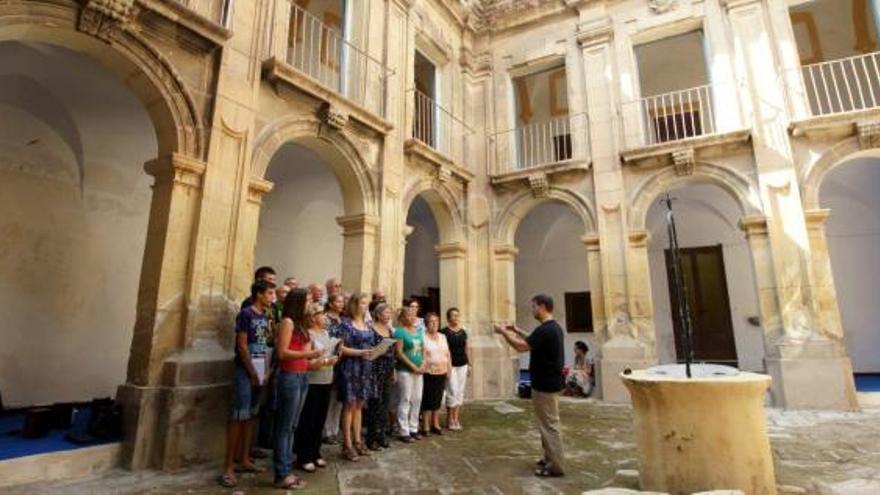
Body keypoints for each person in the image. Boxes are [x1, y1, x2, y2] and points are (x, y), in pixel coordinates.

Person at [493, 294, 566, 478]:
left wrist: (503, 333)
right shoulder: (552, 328)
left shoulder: (546, 330)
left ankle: (556, 466)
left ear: (542, 307)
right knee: (547, 423)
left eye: (533, 307)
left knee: (550, 425)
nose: (532, 310)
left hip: (545, 385)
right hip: (550, 382)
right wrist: (516, 329)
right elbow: (532, 340)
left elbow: (521, 347)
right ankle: (549, 457)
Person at [219, 279, 275, 488]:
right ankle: (228, 466)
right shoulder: (246, 314)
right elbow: (242, 346)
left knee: (251, 414)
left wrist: (266, 370)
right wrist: (252, 371)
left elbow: (267, 343)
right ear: (259, 294)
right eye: (269, 293)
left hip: (261, 365)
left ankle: (244, 458)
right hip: (246, 369)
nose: (272, 297)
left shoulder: (266, 316)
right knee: (239, 414)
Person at [293, 302, 339, 473]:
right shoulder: (309, 335)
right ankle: (303, 456)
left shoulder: (326, 333)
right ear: (312, 317)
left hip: (326, 380)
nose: (325, 316)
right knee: (308, 420)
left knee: (320, 419)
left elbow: (326, 354)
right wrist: (323, 361)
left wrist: (332, 359)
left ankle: (315, 452)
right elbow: (306, 361)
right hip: (312, 381)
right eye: (321, 313)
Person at [337, 292, 376, 461]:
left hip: (365, 368)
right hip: (351, 367)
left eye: (367, 304)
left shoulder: (368, 324)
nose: (365, 306)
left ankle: (358, 440)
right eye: (362, 303)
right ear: (354, 305)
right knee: (349, 406)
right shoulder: (346, 324)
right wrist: (361, 352)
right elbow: (341, 349)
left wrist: (375, 352)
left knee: (360, 405)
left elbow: (372, 344)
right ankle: (347, 444)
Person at [365, 303, 395, 450]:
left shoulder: (389, 329)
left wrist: (393, 371)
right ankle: (371, 438)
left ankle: (381, 435)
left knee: (385, 405)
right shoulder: (371, 330)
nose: (388, 315)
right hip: (375, 371)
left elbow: (393, 352)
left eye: (390, 313)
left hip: (388, 370)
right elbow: (368, 351)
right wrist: (378, 351)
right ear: (377, 314)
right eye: (386, 313)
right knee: (374, 405)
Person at [393, 308, 425, 443]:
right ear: (402, 318)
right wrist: (412, 367)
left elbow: (422, 349)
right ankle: (404, 430)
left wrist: (423, 364)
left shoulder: (418, 331)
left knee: (417, 399)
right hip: (405, 371)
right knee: (405, 399)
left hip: (419, 370)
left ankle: (414, 428)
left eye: (413, 315)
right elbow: (399, 353)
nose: (412, 318)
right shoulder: (399, 332)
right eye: (408, 315)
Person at [441, 307, 472, 430]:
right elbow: (445, 350)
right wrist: (447, 366)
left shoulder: (463, 332)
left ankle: (456, 418)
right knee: (452, 391)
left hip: (462, 364)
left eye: (457, 315)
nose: (456, 318)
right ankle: (450, 419)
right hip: (451, 365)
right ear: (448, 318)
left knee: (459, 392)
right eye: (453, 315)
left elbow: (467, 348)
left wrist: (469, 364)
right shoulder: (444, 332)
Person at [420, 313, 449, 436]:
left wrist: (449, 367)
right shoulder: (422, 336)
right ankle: (425, 425)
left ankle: (435, 423)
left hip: (442, 370)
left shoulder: (442, 336)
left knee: (437, 398)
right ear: (426, 324)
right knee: (427, 398)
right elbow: (421, 354)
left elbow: (447, 353)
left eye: (436, 321)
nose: (434, 324)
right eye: (431, 322)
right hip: (428, 372)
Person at [322, 293, 345, 445]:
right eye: (338, 301)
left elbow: (343, 338)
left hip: (340, 361)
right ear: (330, 303)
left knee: (338, 398)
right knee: (328, 397)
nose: (341, 304)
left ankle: (334, 430)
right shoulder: (326, 319)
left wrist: (342, 347)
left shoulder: (342, 320)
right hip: (327, 359)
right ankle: (326, 431)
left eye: (342, 301)